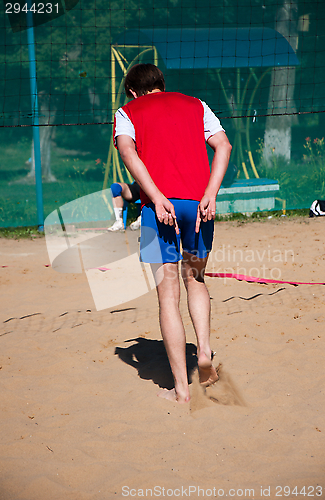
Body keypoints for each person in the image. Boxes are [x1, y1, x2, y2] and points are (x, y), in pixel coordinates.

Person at [114, 63, 232, 403]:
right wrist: (211, 192)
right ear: (161, 85)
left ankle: (182, 391)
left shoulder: (127, 111)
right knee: (195, 279)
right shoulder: (196, 104)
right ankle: (205, 352)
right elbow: (222, 146)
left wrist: (155, 196)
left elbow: (128, 153)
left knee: (168, 296)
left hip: (159, 207)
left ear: (134, 91)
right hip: (199, 204)